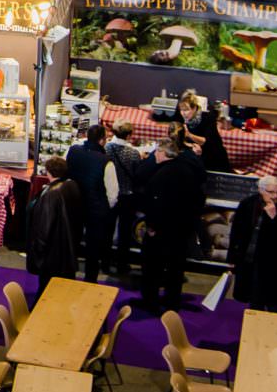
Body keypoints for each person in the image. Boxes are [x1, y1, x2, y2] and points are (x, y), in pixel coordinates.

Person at [132, 131, 206, 311]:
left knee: (153, 268)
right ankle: (172, 301)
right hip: (182, 229)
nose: (154, 155)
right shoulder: (188, 170)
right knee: (175, 268)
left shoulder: (161, 175)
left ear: (164, 154)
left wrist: (152, 226)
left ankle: (150, 301)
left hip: (161, 231)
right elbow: (199, 198)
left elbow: (156, 204)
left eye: (156, 152)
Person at [228, 175, 277, 312]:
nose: (275, 196)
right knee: (254, 299)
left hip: (274, 264)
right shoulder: (247, 204)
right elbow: (236, 232)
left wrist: (274, 219)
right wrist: (232, 258)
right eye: (270, 192)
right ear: (261, 190)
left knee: (274, 303)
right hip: (251, 260)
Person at [25, 154, 83, 299]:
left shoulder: (51, 194)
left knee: (47, 293)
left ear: (48, 171)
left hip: (53, 256)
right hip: (68, 251)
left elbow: (44, 228)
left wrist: (37, 251)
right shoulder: (72, 185)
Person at [64, 123, 114, 282]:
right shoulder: (106, 161)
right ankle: (90, 280)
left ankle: (67, 275)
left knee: (71, 242)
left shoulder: (72, 151)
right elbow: (113, 193)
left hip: (74, 204)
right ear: (102, 140)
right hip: (96, 210)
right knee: (93, 249)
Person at [103, 121, 147, 277]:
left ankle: (105, 263)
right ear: (129, 135)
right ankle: (122, 264)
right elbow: (138, 174)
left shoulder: (107, 148)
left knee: (108, 230)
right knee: (125, 231)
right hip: (128, 195)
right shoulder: (133, 153)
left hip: (111, 194)